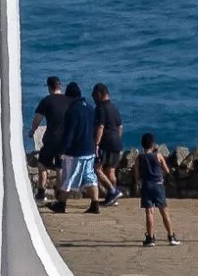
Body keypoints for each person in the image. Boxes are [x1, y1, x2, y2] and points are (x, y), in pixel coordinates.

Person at [53, 82, 101, 214]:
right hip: (89, 149)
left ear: (70, 97)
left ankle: (61, 204)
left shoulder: (72, 111)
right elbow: (96, 127)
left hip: (76, 151)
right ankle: (95, 203)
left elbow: (69, 134)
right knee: (90, 177)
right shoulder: (90, 108)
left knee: (69, 177)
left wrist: (61, 151)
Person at [134, 133, 179, 246]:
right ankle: (171, 236)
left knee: (149, 212)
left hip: (146, 186)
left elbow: (136, 175)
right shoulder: (158, 156)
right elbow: (167, 170)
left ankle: (150, 238)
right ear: (152, 144)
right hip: (158, 185)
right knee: (164, 211)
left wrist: (140, 182)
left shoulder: (139, 158)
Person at [28, 77, 70, 197]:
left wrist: (32, 130)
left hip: (51, 138)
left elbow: (38, 118)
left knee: (42, 164)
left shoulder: (47, 100)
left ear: (49, 88)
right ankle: (60, 193)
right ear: (60, 87)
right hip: (65, 140)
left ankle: (42, 192)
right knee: (59, 167)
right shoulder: (69, 100)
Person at [91, 82, 125, 206]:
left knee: (97, 169)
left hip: (107, 142)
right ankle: (112, 198)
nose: (94, 99)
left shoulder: (100, 108)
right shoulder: (114, 107)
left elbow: (100, 126)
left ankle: (112, 191)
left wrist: (96, 144)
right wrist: (117, 138)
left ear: (99, 94)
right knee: (111, 171)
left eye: (94, 96)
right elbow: (120, 126)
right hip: (117, 142)